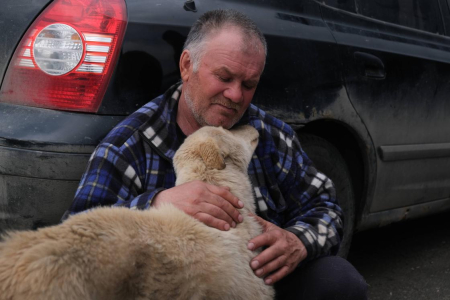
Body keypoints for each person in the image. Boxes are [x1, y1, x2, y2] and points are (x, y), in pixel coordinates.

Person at [63, 9, 367, 299]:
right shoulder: (129, 144)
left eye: (248, 84)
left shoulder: (270, 135)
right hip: (181, 289)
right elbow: (76, 241)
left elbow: (326, 207)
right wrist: (155, 204)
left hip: (257, 283)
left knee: (338, 280)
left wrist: (298, 241)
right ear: (186, 66)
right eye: (224, 77)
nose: (236, 95)